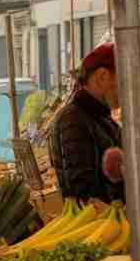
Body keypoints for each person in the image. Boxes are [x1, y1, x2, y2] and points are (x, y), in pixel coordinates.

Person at [49, 42, 126, 204]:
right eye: (124, 79)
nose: (128, 88)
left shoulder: (100, 117)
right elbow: (84, 192)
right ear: (102, 76)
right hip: (102, 219)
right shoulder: (73, 120)